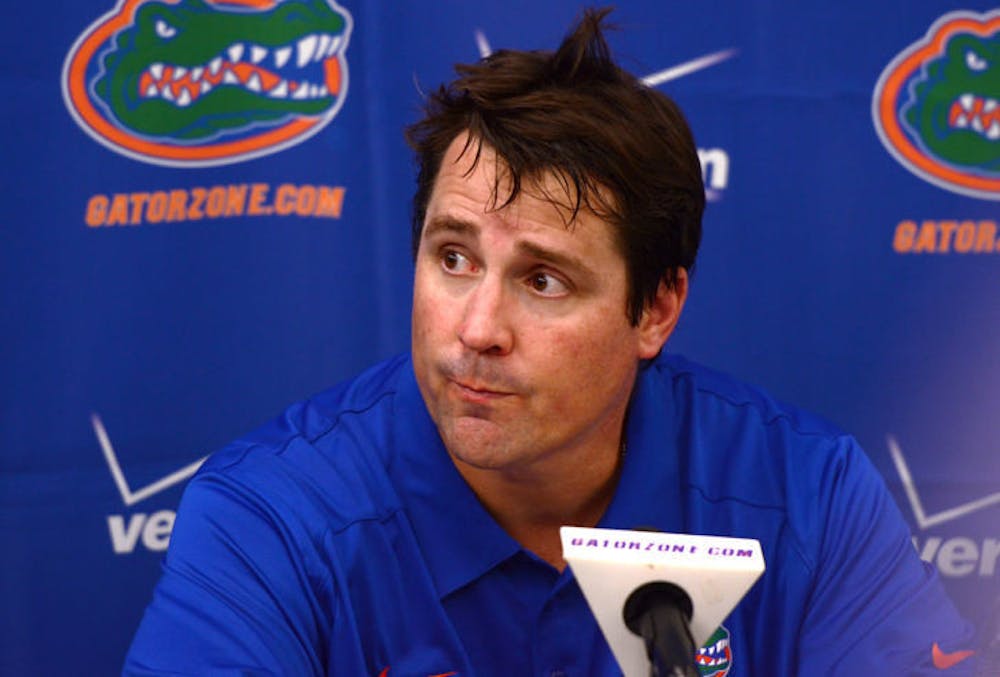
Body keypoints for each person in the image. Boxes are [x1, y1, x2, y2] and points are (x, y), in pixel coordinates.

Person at [124, 8, 977, 675]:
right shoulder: (268, 518)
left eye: (544, 281)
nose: (477, 328)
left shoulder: (807, 502)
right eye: (453, 257)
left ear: (656, 309)